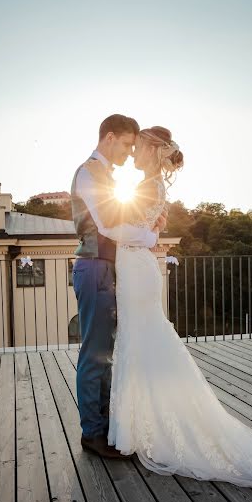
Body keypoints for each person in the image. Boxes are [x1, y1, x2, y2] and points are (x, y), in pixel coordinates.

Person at [103, 125, 252, 502]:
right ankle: (139, 426)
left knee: (143, 340)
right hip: (135, 268)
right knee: (138, 341)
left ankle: (141, 428)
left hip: (137, 269)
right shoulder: (149, 185)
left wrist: (106, 226)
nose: (135, 151)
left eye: (139, 146)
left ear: (153, 151)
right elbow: (145, 231)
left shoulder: (151, 186)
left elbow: (134, 232)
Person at [70, 114, 166, 459]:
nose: (129, 153)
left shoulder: (106, 176)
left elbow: (121, 219)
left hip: (107, 269)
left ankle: (106, 426)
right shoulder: (88, 173)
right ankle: (92, 434)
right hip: (95, 267)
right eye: (127, 144)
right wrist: (151, 236)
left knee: (106, 352)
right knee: (95, 353)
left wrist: (147, 218)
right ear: (109, 137)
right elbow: (110, 225)